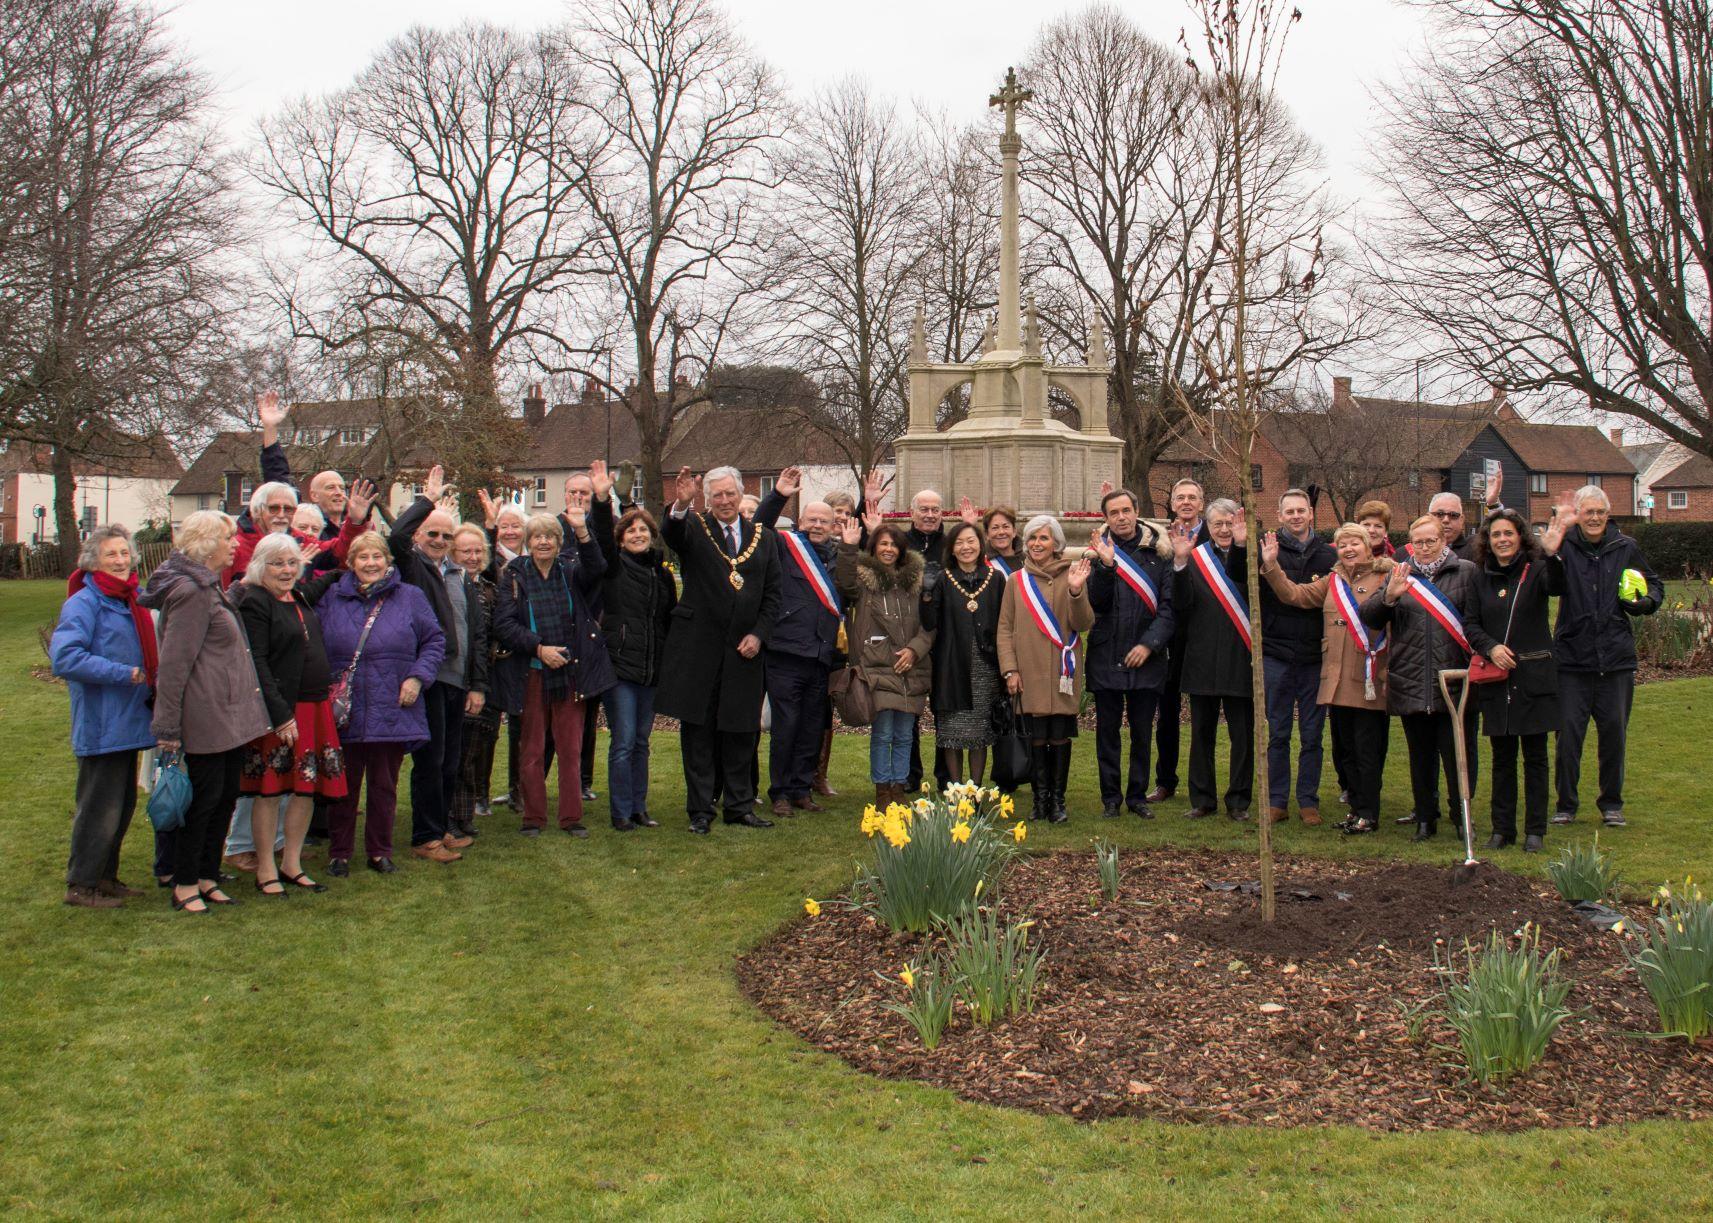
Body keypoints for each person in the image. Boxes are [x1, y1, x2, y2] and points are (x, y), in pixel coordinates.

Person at [139, 511, 272, 914]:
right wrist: (167, 727)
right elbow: (175, 665)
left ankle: (206, 875)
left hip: (228, 716)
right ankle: (184, 882)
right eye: (229, 538)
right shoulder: (191, 591)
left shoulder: (209, 586)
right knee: (203, 803)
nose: (235, 545)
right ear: (207, 544)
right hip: (205, 716)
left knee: (224, 797)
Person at [235, 526, 363, 895]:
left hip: (315, 707)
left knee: (305, 789)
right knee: (271, 791)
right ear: (261, 565)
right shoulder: (255, 601)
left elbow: (321, 583)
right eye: (278, 564)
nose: (287, 570)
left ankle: (292, 863)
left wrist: (347, 570)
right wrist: (279, 714)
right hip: (282, 711)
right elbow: (256, 660)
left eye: (293, 563)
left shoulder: (298, 597)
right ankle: (265, 868)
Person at [656, 465, 782, 834]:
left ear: (741, 494)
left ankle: (740, 806)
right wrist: (680, 504)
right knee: (698, 733)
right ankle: (700, 810)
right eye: (717, 496)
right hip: (700, 650)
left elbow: (773, 596)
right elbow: (672, 533)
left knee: (742, 731)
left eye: (730, 494)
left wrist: (759, 635)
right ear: (707, 499)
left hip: (744, 652)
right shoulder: (695, 528)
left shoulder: (764, 537)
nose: (725, 501)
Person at [1360, 515, 1497, 842]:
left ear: (1443, 541)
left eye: (1430, 541)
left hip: (1454, 679)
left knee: (1459, 754)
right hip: (1411, 677)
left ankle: (1460, 813)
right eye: (1417, 542)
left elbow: (1478, 620)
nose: (1423, 547)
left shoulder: (1466, 572)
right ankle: (1425, 817)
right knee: (1420, 755)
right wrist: (1389, 596)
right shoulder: (1399, 572)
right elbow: (1371, 618)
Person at [318, 531, 446, 875]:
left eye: (377, 557)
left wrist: (417, 677)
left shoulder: (410, 597)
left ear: (388, 560)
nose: (371, 564)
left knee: (383, 785)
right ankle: (340, 851)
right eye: (363, 557)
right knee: (342, 785)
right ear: (351, 563)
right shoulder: (332, 597)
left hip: (392, 702)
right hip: (346, 705)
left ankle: (379, 850)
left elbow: (435, 640)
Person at [493, 489, 613, 837]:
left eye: (549, 536)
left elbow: (599, 567)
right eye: (537, 537)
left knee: (570, 749)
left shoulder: (571, 571)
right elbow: (504, 624)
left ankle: (571, 818)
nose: (543, 542)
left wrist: (582, 531)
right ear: (528, 542)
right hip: (531, 673)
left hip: (571, 673)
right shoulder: (514, 574)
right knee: (531, 750)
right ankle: (533, 817)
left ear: (559, 542)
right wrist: (538, 648)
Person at [1260, 523, 1395, 835]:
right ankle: (1355, 810)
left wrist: (1390, 670)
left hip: (1368, 678)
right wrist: (1271, 565)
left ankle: (1368, 813)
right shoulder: (1332, 581)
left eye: (1354, 544)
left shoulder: (1386, 577)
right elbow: (1295, 595)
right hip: (1336, 678)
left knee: (1367, 750)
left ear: (1367, 546)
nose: (1349, 550)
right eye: (1343, 545)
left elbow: (1394, 627)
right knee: (1345, 750)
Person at [50, 525, 158, 908]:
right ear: (93, 561)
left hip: (128, 721)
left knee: (122, 805)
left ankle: (106, 878)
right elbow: (65, 658)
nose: (120, 560)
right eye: (111, 554)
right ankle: (82, 885)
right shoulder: (85, 603)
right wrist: (121, 672)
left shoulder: (131, 599)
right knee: (99, 808)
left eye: (125, 553)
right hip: (102, 721)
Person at [389, 464, 490, 862]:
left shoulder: (459, 576)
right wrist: (427, 500)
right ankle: (424, 836)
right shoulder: (412, 567)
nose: (439, 540)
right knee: (429, 762)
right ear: (419, 536)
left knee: (449, 761)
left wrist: (477, 684)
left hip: (456, 680)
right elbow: (395, 536)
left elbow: (477, 634)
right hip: (426, 678)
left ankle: (442, 827)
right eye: (432, 533)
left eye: (447, 535)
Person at [1549, 484, 1662, 829]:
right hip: (1572, 660)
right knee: (1568, 737)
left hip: (1615, 661)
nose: (1595, 517)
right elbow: (1544, 578)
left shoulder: (1625, 547)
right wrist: (1554, 536)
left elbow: (1655, 586)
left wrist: (1643, 603)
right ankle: (1566, 805)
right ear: (1579, 515)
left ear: (1608, 514)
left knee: (1614, 736)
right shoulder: (1565, 547)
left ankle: (1611, 804)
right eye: (1588, 512)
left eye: (1600, 512)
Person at [1470, 507, 1570, 852]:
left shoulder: (1537, 569)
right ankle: (1502, 829)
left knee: (1535, 757)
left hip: (1533, 677)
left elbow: (1557, 587)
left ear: (1520, 537)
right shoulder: (1480, 577)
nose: (1502, 540)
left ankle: (1535, 832)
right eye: (1496, 535)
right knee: (1502, 758)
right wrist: (1491, 647)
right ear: (1488, 540)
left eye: (1508, 534)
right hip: (1497, 679)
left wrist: (1553, 554)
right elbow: (1471, 624)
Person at [587, 461, 675, 830]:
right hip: (621, 667)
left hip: (650, 668)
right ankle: (621, 811)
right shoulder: (614, 568)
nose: (638, 534)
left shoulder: (660, 573)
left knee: (641, 741)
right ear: (622, 538)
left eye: (644, 530)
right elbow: (602, 539)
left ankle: (639, 807)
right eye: (632, 531)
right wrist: (602, 498)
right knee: (622, 741)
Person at [754, 467, 841, 818]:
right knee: (786, 726)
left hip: (821, 654)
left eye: (825, 521)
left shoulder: (838, 555)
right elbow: (757, 530)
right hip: (787, 651)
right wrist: (778, 496)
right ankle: (780, 793)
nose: (818, 525)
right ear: (801, 521)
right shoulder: (786, 546)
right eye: (812, 519)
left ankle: (802, 788)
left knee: (810, 726)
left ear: (833, 526)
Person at [998, 515, 1095, 823]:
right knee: (1036, 737)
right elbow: (1004, 628)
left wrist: (1077, 592)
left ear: (1056, 544)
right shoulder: (1016, 581)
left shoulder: (1073, 574)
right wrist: (1010, 670)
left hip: (1061, 672)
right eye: (1031, 539)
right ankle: (1040, 801)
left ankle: (1058, 801)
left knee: (1059, 736)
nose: (1036, 544)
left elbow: (1083, 624)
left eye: (1043, 538)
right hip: (1028, 670)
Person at [1086, 488, 1176, 819]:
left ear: (1136, 511)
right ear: (1106, 518)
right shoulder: (1097, 553)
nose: (1121, 517)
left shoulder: (1160, 553)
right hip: (1106, 653)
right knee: (1107, 734)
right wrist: (1107, 567)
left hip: (1146, 658)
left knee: (1142, 733)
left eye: (1126, 510)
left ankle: (1137, 796)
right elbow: (1096, 603)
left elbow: (1169, 608)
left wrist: (1149, 645)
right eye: (1114, 513)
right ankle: (1111, 798)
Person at [836, 513, 935, 805]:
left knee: (905, 734)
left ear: (902, 550)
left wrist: (915, 650)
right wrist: (848, 547)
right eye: (882, 544)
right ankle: (882, 788)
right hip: (876, 668)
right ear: (874, 548)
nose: (888, 549)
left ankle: (899, 787)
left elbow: (929, 625)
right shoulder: (864, 582)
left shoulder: (915, 585)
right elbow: (844, 583)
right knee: (883, 733)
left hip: (911, 667)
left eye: (893, 544)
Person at [1170, 499, 1254, 820]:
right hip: (1202, 657)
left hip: (1240, 656)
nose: (1223, 529)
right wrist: (1179, 563)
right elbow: (1180, 604)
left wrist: (1243, 545)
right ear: (1208, 526)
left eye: (1229, 523)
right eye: (1217, 523)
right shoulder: (1193, 558)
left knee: (1242, 736)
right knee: (1201, 734)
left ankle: (1238, 801)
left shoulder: (1250, 554)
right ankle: (1202, 799)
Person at [1259, 489, 1337, 826]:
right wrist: (1266, 562)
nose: (1295, 516)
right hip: (1276, 652)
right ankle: (1277, 800)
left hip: (1313, 656)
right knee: (1277, 732)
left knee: (1311, 734)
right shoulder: (1268, 549)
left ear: (1311, 514)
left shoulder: (1328, 555)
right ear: (1279, 515)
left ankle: (1308, 800)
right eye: (1288, 511)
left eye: (1301, 510)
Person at [927, 521, 1006, 784]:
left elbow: (1005, 622)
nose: (965, 547)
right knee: (952, 733)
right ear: (951, 548)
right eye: (959, 542)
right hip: (951, 666)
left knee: (979, 733)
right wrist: (925, 595)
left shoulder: (995, 579)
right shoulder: (942, 578)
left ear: (980, 544)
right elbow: (930, 622)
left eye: (970, 541)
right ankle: (955, 790)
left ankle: (975, 789)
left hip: (985, 666)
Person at [1150, 477, 1209, 804]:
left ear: (1201, 503)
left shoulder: (1215, 535)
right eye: (1180, 497)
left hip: (1203, 634)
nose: (1186, 502)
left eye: (1192, 497)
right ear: (1172, 504)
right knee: (1168, 711)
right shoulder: (1159, 542)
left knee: (1202, 715)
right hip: (1170, 635)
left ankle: (1203, 785)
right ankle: (1165, 781)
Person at [449, 523, 502, 838]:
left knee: (472, 753)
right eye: (465, 550)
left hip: (482, 678)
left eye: (477, 551)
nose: (471, 556)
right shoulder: (446, 585)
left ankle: (464, 816)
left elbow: (487, 639)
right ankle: (448, 818)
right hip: (453, 677)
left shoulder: (489, 590)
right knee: (451, 756)